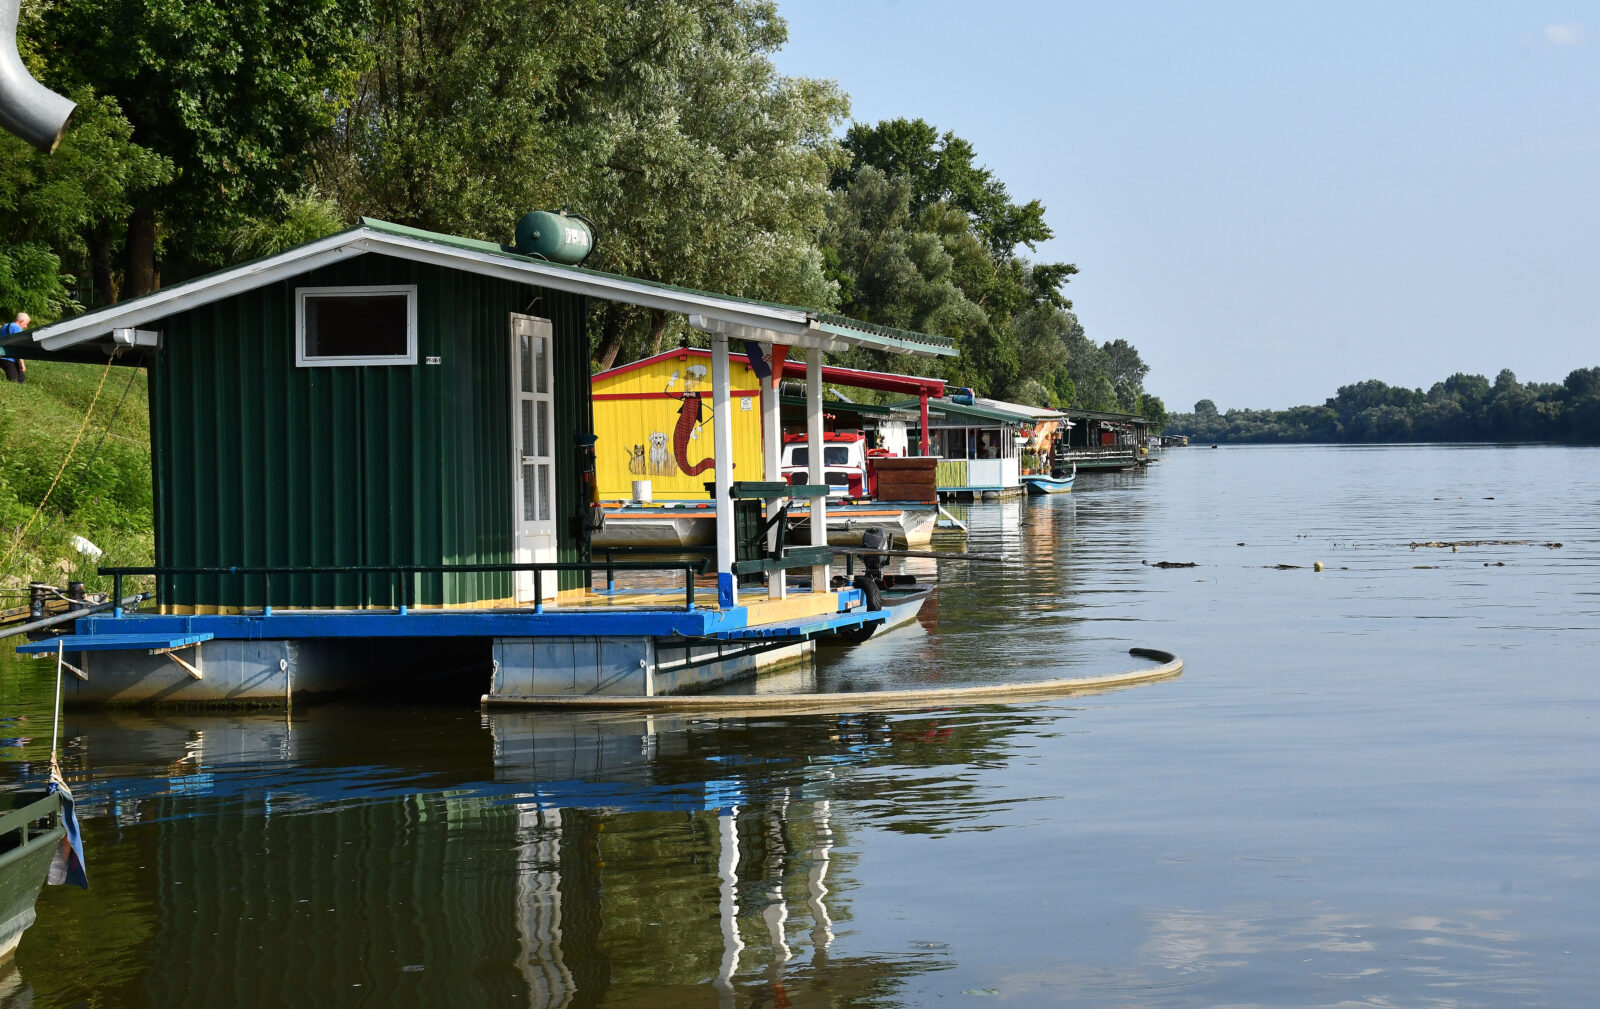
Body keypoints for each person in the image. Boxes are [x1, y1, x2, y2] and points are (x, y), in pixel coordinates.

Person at [0, 312, 29, 384]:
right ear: (21, 321)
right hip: (8, 358)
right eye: (26, 324)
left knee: (21, 377)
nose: (26, 326)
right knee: (14, 380)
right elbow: (19, 347)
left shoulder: (5, 326)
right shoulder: (17, 329)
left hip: (1, 355)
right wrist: (22, 362)